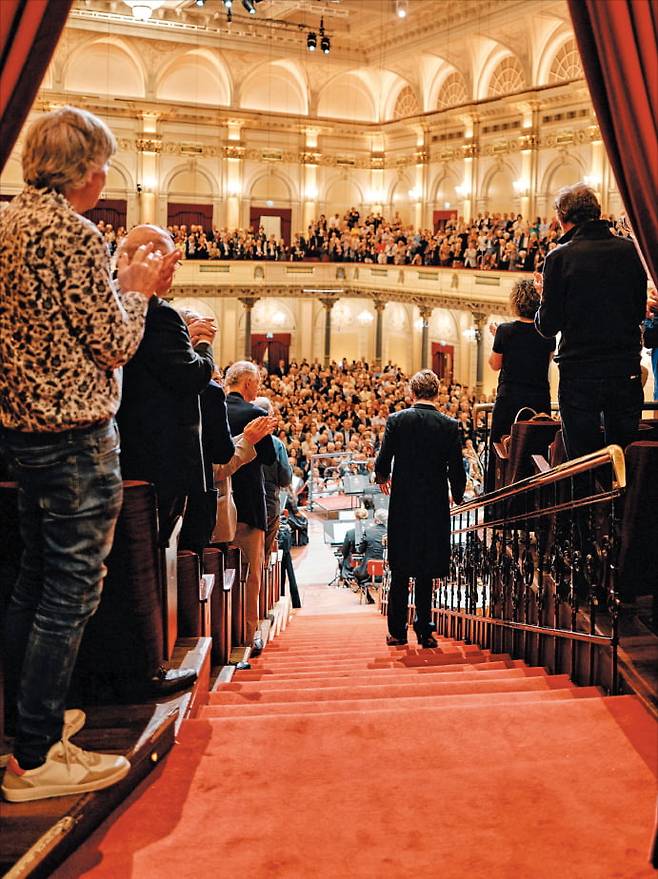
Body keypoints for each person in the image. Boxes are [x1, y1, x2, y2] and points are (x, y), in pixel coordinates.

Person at [0, 106, 163, 801]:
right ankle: (34, 758)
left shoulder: (7, 221)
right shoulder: (68, 233)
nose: (105, 176)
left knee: (34, 583)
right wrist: (138, 290)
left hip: (23, 434)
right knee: (68, 592)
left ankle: (26, 722)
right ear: (81, 170)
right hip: (74, 439)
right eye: (102, 164)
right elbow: (114, 342)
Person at [535, 183, 647, 460]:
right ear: (596, 213)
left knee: (583, 462)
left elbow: (548, 326)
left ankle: (588, 505)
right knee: (623, 459)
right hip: (625, 369)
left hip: (580, 375)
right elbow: (638, 311)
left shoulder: (559, 257)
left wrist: (544, 298)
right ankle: (623, 505)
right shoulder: (632, 251)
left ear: (563, 218)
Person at [375, 369, 466, 648]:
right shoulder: (449, 425)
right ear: (437, 393)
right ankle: (425, 630)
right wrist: (458, 495)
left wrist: (382, 477)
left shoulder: (397, 421)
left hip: (403, 503)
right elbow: (456, 468)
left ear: (411, 393)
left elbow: (383, 460)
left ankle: (397, 632)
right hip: (434, 504)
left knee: (401, 568)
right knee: (426, 569)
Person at [225, 362, 276, 656]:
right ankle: (246, 635)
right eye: (256, 383)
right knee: (249, 573)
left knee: (217, 571)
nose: (257, 389)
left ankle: (218, 631)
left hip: (216, 504)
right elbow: (268, 458)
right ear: (247, 384)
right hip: (247, 502)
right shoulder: (255, 413)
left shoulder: (210, 408)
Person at [486, 279, 555, 490]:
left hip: (510, 397)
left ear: (516, 302)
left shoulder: (505, 331)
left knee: (501, 447)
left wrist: (498, 338)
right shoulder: (548, 333)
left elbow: (495, 364)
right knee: (534, 447)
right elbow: (544, 361)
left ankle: (496, 498)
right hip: (538, 397)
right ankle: (531, 499)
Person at [254, 396, 293, 558]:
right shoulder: (276, 444)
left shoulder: (242, 439)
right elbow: (285, 479)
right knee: (264, 555)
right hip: (269, 502)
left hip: (244, 502)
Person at [355, 509, 388, 604]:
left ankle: (368, 597)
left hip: (368, 573)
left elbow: (360, 550)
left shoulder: (368, 531)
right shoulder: (390, 532)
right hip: (386, 572)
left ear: (375, 519)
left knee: (356, 571)